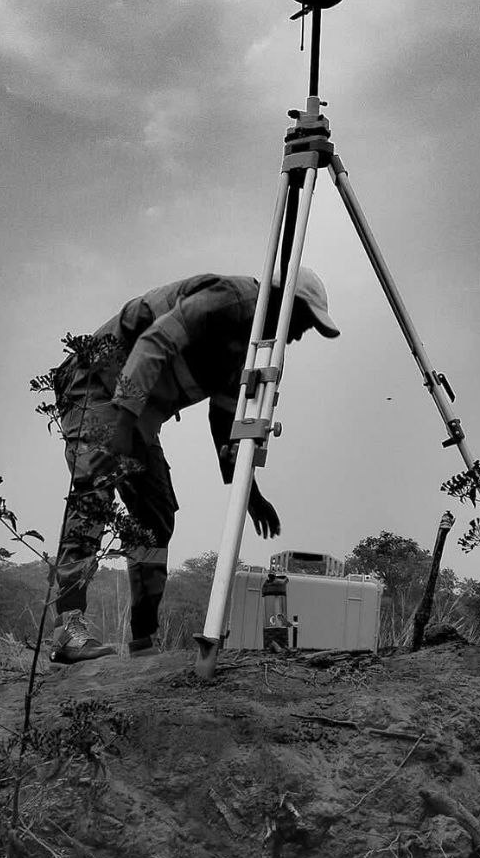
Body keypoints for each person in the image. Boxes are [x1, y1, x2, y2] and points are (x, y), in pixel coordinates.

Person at [48, 268, 340, 663]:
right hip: (96, 387)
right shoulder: (231, 301)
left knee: (155, 514)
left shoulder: (251, 349)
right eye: (304, 321)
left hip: (137, 413)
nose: (301, 335)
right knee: (94, 493)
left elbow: (224, 421)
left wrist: (251, 495)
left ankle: (142, 641)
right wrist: (120, 428)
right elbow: (154, 343)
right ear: (283, 301)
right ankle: (67, 629)